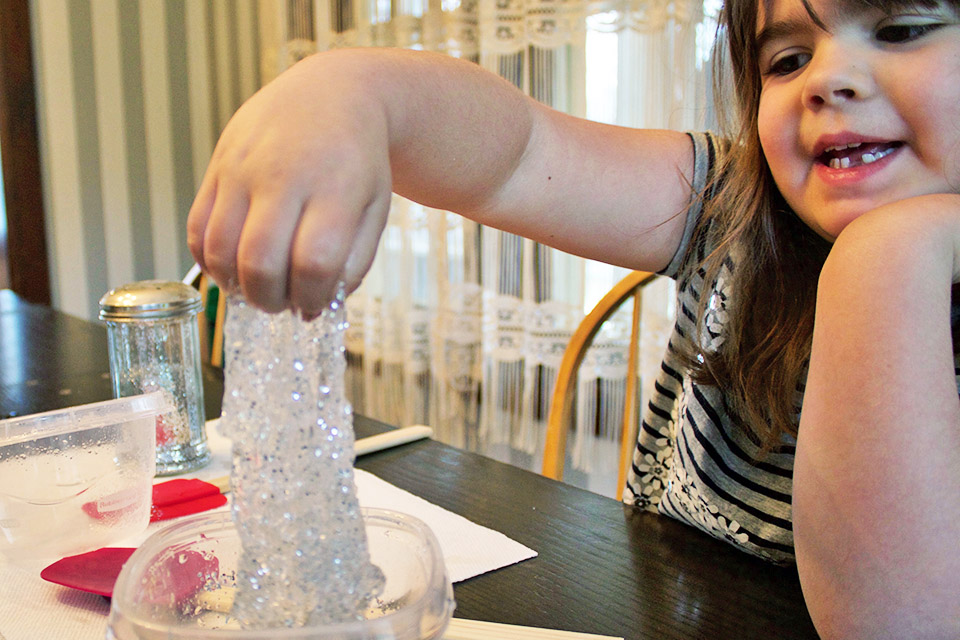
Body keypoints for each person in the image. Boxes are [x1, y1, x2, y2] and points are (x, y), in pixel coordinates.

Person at [186, 0, 960, 635]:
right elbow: (518, 155)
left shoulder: (883, 258)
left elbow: (897, 623)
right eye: (786, 59)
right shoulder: (733, 211)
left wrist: (888, 256)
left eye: (899, 29)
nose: (825, 79)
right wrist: (347, 92)